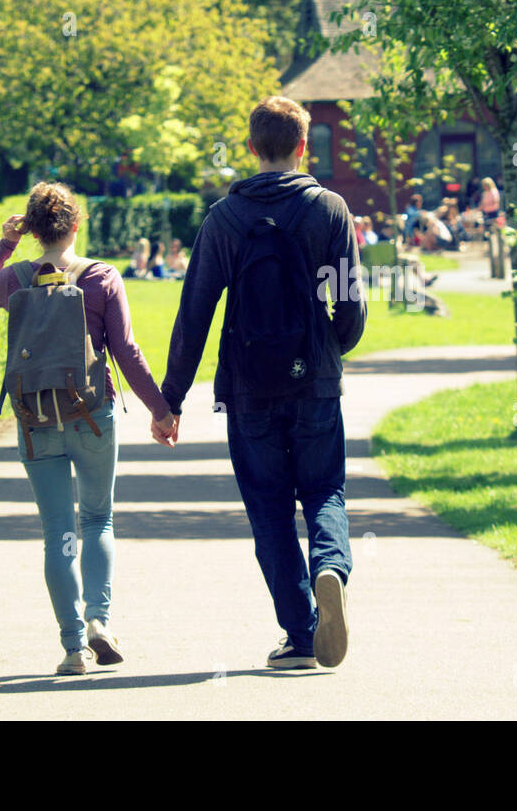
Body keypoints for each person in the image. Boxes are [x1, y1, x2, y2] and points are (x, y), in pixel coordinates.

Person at [160, 96, 366, 670]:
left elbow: (195, 313)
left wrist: (170, 399)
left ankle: (301, 636)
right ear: (304, 148)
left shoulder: (224, 218)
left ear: (252, 148)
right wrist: (330, 348)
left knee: (269, 510)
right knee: (324, 489)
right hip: (315, 381)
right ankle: (330, 566)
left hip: (249, 388)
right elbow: (349, 303)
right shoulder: (329, 209)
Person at [0, 182, 178, 676]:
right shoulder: (102, 277)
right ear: (77, 224)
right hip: (92, 415)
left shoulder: (17, 278)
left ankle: (72, 648)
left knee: (58, 531)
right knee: (98, 520)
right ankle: (99, 622)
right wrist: (161, 410)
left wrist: (5, 244)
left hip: (36, 418)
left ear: (33, 229)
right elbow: (127, 353)